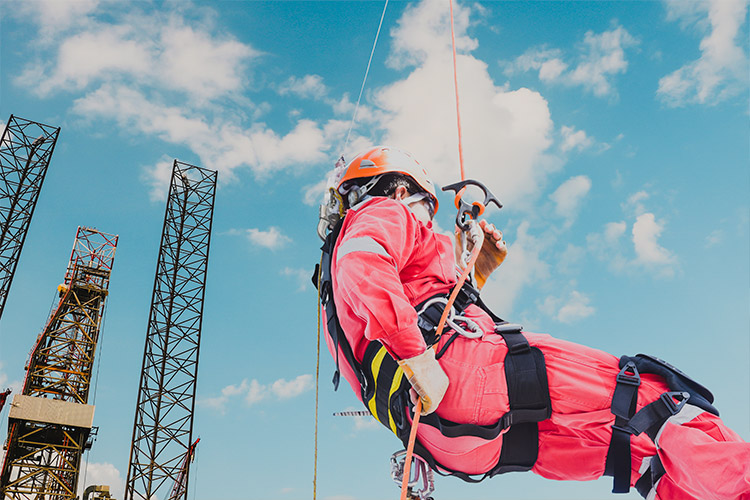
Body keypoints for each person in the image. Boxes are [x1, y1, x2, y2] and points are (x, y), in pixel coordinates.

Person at [315, 146, 750, 500]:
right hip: (465, 376)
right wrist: (417, 356)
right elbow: (366, 265)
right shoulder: (382, 212)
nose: (426, 221)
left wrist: (476, 272)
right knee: (655, 400)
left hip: (447, 440)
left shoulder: (334, 298)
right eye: (425, 207)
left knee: (634, 456)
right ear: (399, 187)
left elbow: (424, 302)